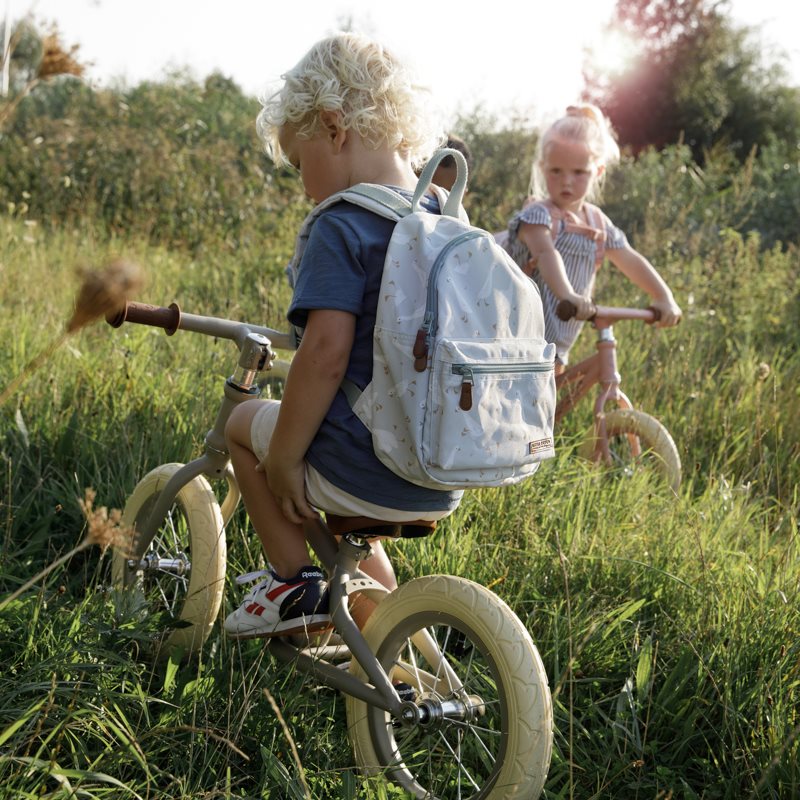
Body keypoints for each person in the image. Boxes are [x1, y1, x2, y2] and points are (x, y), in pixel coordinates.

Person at [223, 32, 461, 640]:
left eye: (301, 164)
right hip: (436, 468)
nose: (304, 184)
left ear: (334, 127)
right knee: (331, 482)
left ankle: (294, 583)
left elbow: (325, 355)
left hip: (362, 463)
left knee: (245, 427)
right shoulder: (442, 213)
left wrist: (283, 461)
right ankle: (388, 630)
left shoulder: (343, 224)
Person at [505, 103, 682, 371]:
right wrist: (569, 295)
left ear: (597, 171)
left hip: (558, 343)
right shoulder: (537, 216)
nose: (566, 182)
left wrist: (662, 295)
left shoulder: (597, 222)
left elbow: (629, 259)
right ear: (542, 168)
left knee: (548, 409)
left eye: (578, 173)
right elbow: (545, 254)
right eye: (556, 171)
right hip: (517, 338)